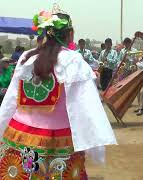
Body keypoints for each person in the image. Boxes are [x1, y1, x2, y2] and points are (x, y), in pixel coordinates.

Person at [0, 10, 117, 179]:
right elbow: (86, 106)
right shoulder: (73, 60)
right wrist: (95, 148)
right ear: (70, 34)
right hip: (60, 137)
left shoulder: (27, 56)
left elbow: (11, 99)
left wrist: (2, 124)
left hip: (20, 134)